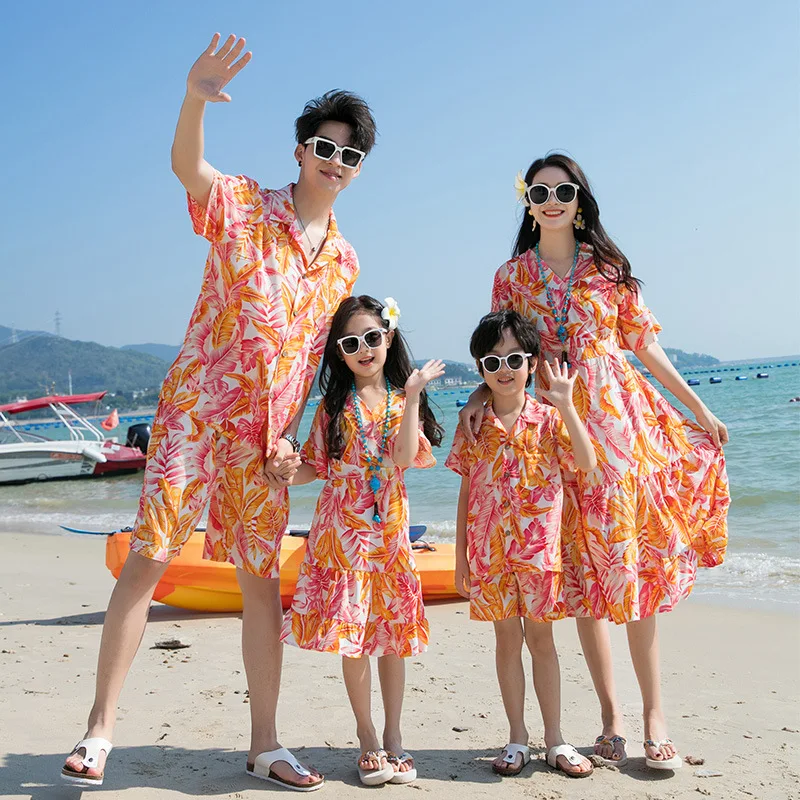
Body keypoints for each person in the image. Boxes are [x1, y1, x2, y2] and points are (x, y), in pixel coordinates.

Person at [62, 33, 376, 791]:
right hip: (197, 417)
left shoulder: (345, 262)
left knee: (261, 582)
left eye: (349, 156)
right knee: (149, 558)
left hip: (266, 443)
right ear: (299, 152)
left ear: (358, 170)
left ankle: (266, 742)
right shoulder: (243, 206)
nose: (333, 163)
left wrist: (305, 442)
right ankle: (99, 731)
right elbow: (186, 168)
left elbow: (323, 363)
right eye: (322, 148)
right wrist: (194, 98)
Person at [459, 153, 729, 771]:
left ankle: (656, 717)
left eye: (564, 189)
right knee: (582, 572)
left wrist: (699, 408)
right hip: (553, 434)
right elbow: (501, 347)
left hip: (617, 425)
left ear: (580, 199)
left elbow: (646, 346)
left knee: (633, 571)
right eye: (540, 191)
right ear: (526, 201)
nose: (552, 199)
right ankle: (611, 721)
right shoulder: (511, 276)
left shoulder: (608, 270)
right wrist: (479, 392)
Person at [280, 295, 444, 786]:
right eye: (351, 343)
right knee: (354, 638)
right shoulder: (334, 404)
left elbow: (402, 457)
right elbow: (317, 465)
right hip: (341, 531)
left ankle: (395, 737)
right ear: (340, 352)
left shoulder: (401, 398)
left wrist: (413, 395)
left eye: (373, 337)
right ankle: (368, 738)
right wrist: (288, 471)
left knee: (392, 635)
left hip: (390, 529)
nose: (364, 349)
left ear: (388, 338)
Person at [447, 310, 597, 778]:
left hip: (540, 553)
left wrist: (567, 404)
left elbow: (587, 463)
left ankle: (555, 738)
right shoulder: (473, 425)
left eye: (514, 358)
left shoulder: (549, 421)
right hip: (489, 553)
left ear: (531, 363)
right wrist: (460, 559)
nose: (504, 369)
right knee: (505, 641)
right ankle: (517, 737)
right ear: (480, 370)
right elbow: (467, 491)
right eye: (492, 362)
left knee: (543, 642)